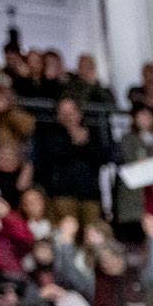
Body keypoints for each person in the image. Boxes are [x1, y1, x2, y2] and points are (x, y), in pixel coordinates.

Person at [30, 95, 110, 231]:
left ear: (79, 113)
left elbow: (102, 159)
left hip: (90, 195)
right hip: (62, 194)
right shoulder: (51, 135)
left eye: (71, 112)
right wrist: (74, 141)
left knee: (93, 232)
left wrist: (85, 143)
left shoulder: (92, 134)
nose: (68, 116)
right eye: (63, 112)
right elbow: (52, 159)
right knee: (66, 230)